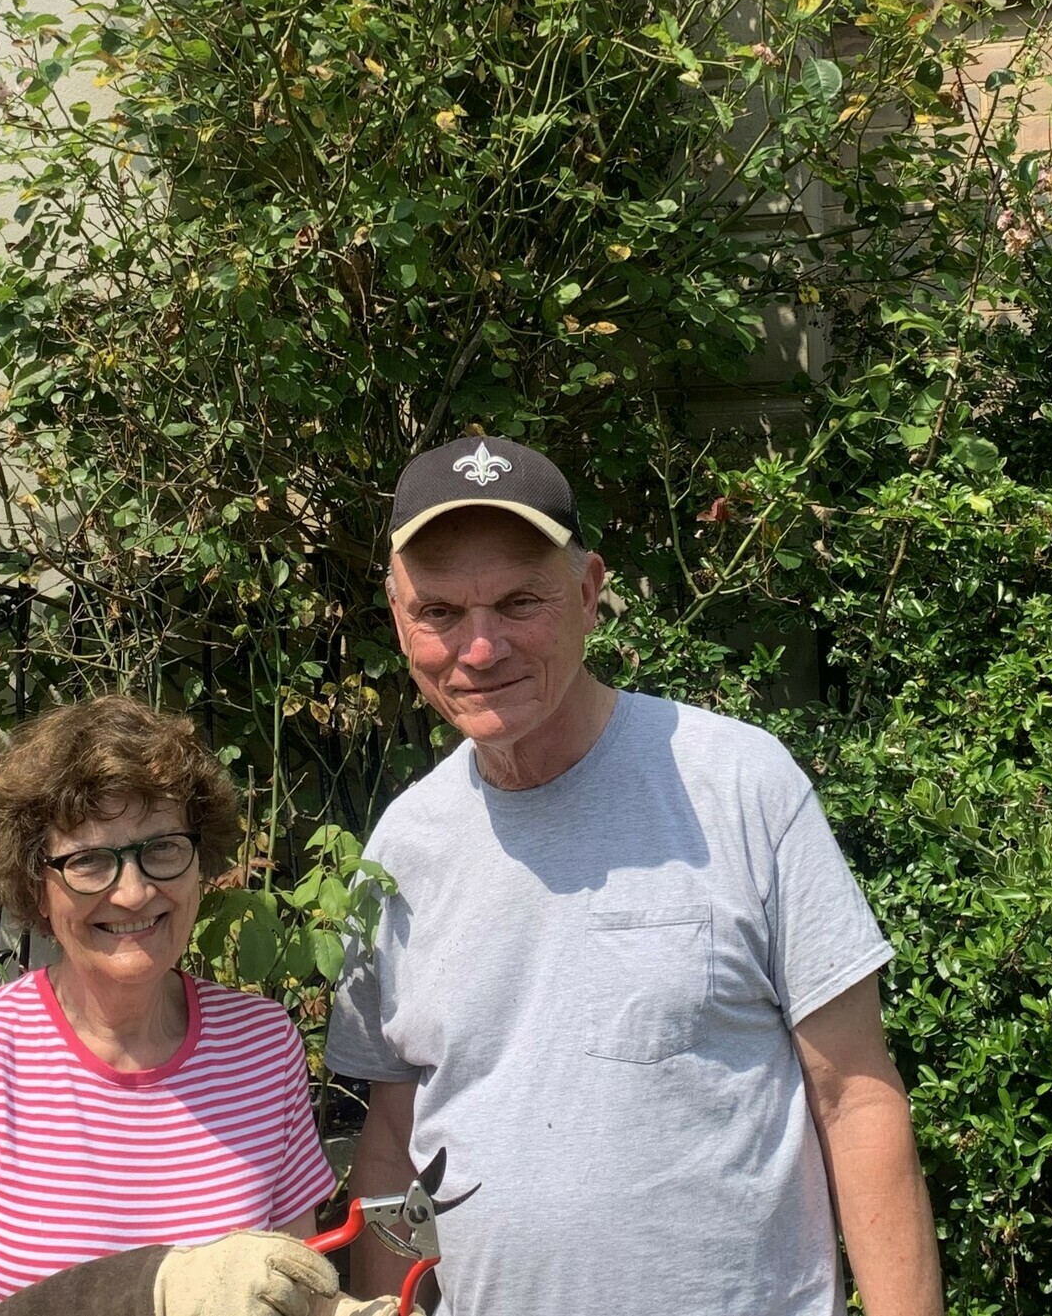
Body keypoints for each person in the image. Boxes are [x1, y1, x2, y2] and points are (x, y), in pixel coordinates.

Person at [327, 438, 946, 1315]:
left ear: (588, 594)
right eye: (439, 611)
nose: (479, 645)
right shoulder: (403, 846)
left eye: (517, 600)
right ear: (399, 621)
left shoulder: (737, 785)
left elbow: (856, 1097)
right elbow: (391, 1141)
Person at [0, 695, 388, 1316]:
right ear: (37, 883)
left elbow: (288, 1286)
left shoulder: (263, 1043)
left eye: (162, 848)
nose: (134, 893)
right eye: (88, 861)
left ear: (200, 862)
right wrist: (152, 1293)